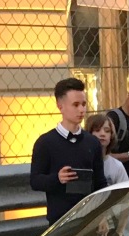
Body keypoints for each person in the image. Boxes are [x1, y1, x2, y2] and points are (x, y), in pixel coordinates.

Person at [30, 77, 107, 225]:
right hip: (59, 220)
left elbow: (100, 182)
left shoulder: (92, 142)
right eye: (76, 105)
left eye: (84, 104)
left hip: (89, 218)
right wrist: (57, 178)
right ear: (61, 106)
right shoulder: (45, 143)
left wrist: (102, 215)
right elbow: (35, 181)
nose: (81, 110)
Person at [86, 113, 129, 186]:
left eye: (107, 131)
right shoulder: (81, 162)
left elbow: (125, 193)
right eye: (97, 130)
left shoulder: (117, 166)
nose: (102, 134)